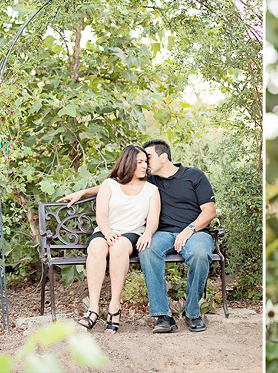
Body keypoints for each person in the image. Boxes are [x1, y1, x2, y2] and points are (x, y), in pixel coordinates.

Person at [59, 139, 216, 333]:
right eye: (141, 161)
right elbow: (117, 184)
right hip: (164, 233)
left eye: (148, 158)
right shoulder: (150, 179)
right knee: (147, 249)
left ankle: (193, 313)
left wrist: (189, 230)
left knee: (200, 254)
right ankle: (163, 316)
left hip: (195, 231)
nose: (145, 164)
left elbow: (209, 211)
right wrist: (83, 192)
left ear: (163, 157)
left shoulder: (194, 176)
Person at [60, 144, 160, 334]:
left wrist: (148, 233)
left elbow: (153, 219)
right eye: (139, 162)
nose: (144, 166)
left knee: (119, 246)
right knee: (97, 248)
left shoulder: (151, 190)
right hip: (106, 231)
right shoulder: (110, 185)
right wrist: (106, 233)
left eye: (145, 162)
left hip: (132, 233)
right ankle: (93, 308)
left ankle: (115, 307)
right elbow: (101, 215)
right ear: (128, 163)